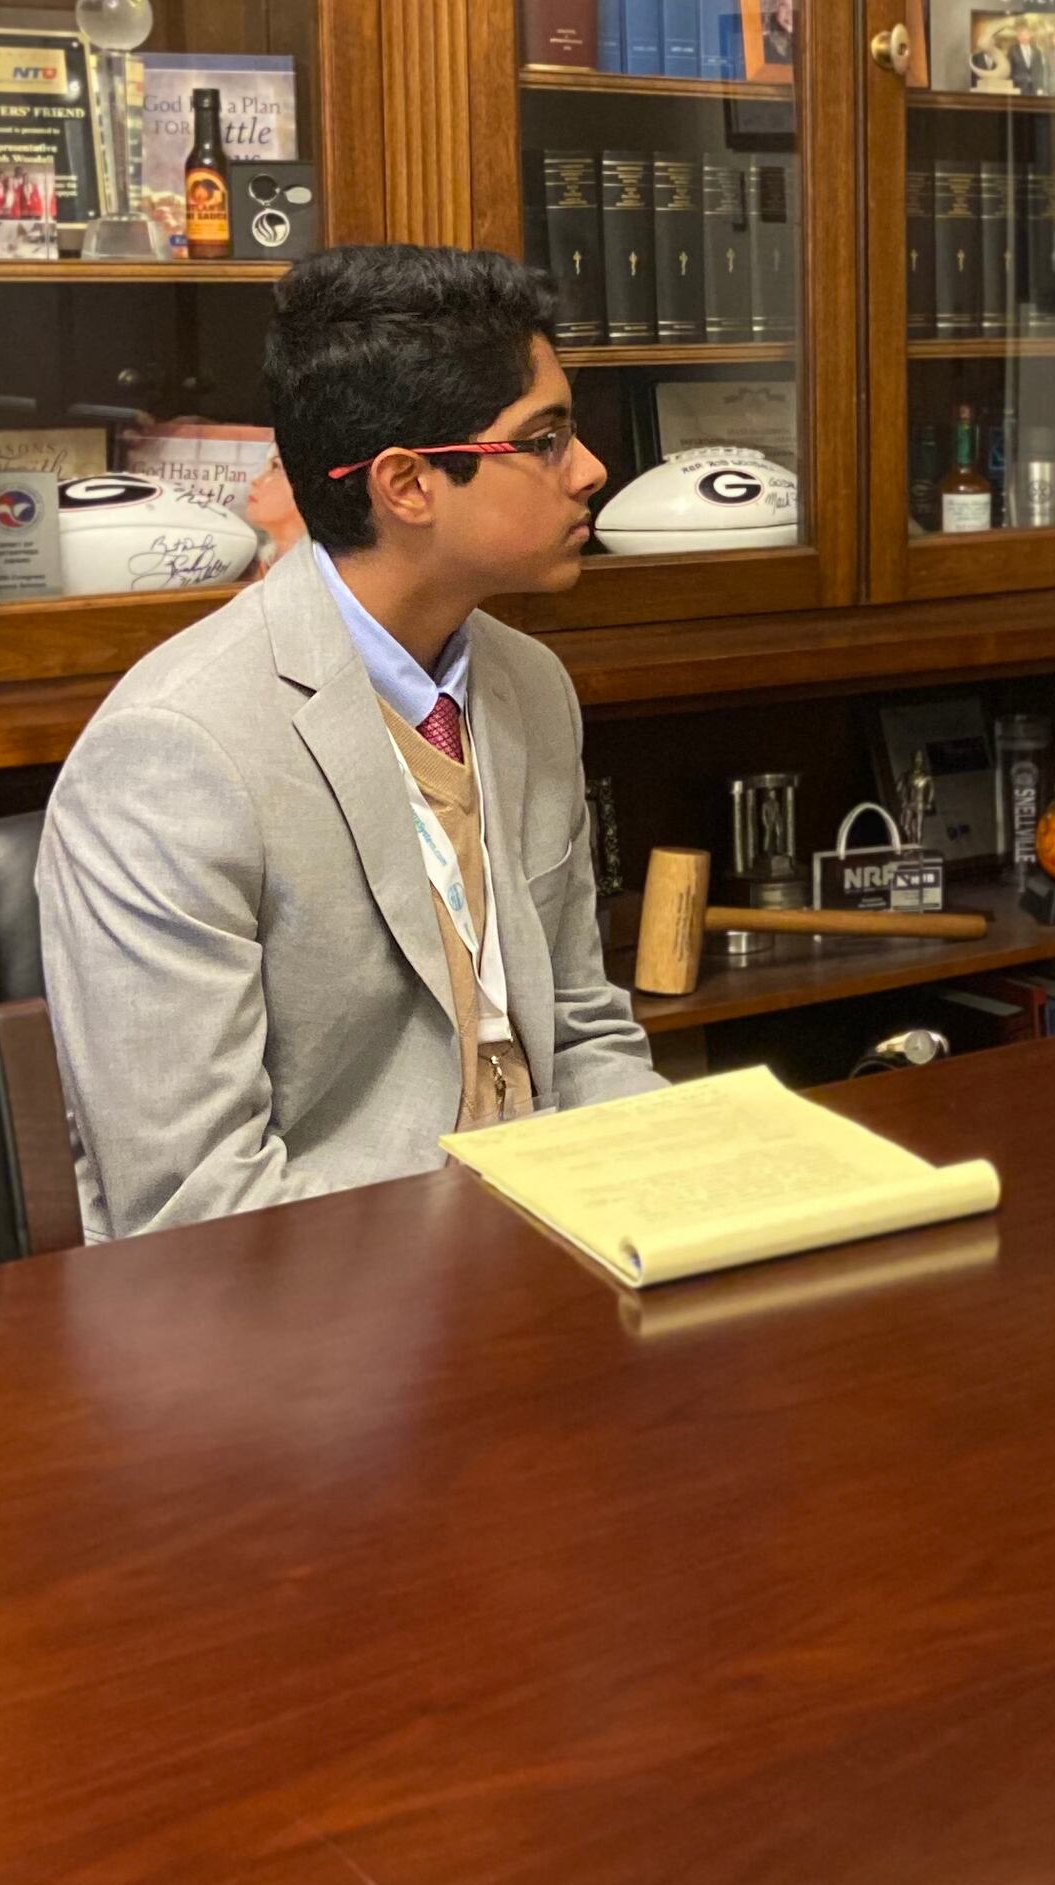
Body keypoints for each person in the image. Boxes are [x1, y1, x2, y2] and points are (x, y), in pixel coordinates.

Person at [37, 244, 664, 1239]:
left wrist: (687, 1197)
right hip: (319, 1317)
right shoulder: (174, 753)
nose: (590, 470)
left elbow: (585, 1033)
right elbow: (197, 1205)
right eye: (543, 439)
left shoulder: (529, 688)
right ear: (407, 483)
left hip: (560, 1253)